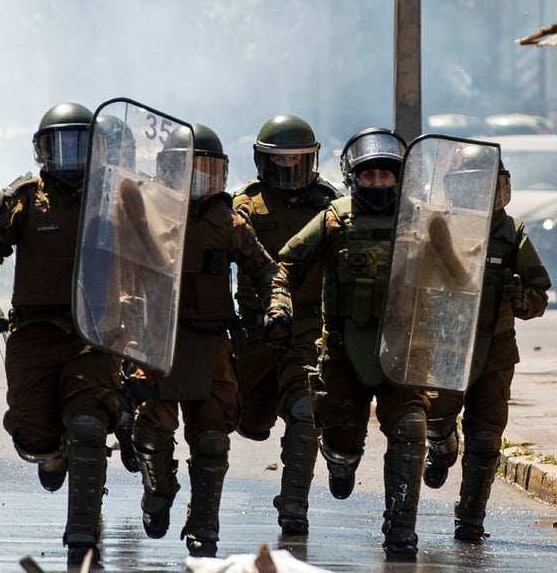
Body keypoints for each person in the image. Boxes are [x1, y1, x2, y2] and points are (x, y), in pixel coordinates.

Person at [0, 102, 120, 569]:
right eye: (59, 146)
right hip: (33, 332)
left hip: (95, 333)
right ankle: (52, 455)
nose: (70, 156)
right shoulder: (25, 199)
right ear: (42, 151)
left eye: (79, 145)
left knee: (89, 426)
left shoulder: (117, 198)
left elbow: (155, 263)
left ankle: (83, 539)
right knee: (33, 435)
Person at [123, 123, 293, 558]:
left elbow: (269, 271)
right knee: (149, 432)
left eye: (206, 170)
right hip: (154, 341)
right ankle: (158, 490)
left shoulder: (227, 222)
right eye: (186, 169)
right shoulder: (143, 213)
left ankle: (203, 528)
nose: (196, 179)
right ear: (165, 171)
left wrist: (277, 307)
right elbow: (111, 270)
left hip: (211, 344)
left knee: (213, 439)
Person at [275, 127, 428, 559]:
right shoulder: (334, 219)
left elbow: (457, 277)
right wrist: (279, 304)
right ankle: (341, 462)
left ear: (400, 178)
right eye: (368, 176)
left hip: (404, 352)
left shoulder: (421, 219)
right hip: (343, 354)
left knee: (411, 429)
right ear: (352, 177)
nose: (377, 184)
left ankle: (400, 531)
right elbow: (285, 264)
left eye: (386, 176)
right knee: (341, 446)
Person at [423, 149, 550, 541]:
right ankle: (442, 448)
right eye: (472, 184)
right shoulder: (437, 228)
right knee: (434, 419)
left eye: (489, 185)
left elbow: (539, 297)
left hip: (494, 352)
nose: (481, 193)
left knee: (485, 438)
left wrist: (518, 295)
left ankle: (470, 521)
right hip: (446, 349)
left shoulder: (512, 233)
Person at [231, 115, 340, 536]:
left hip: (309, 328)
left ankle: (294, 505)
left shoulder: (331, 207)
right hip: (255, 331)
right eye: (280, 162)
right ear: (263, 162)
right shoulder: (244, 206)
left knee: (304, 408)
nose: (289, 171)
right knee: (247, 422)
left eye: (297, 161)